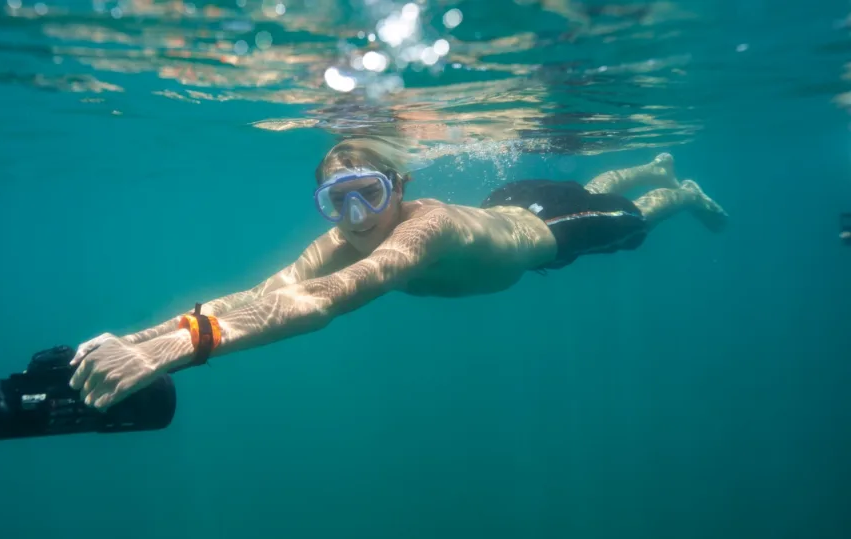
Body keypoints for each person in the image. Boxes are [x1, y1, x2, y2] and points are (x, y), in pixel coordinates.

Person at [68, 137, 729, 410]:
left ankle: (681, 190)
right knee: (591, 186)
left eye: (369, 194)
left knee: (635, 218)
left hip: (555, 235)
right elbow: (266, 293)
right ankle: (651, 166)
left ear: (400, 187)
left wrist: (194, 342)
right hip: (511, 205)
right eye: (338, 201)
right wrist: (150, 339)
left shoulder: (423, 230)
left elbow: (330, 297)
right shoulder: (353, 231)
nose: (356, 217)